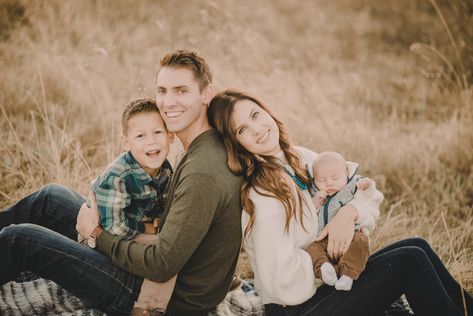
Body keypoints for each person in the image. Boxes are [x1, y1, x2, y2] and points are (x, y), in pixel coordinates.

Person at [0, 49, 243, 316]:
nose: (168, 102)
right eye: (162, 91)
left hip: (159, 295)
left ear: (206, 94)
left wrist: (97, 235)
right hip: (156, 261)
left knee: (19, 240)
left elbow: (161, 264)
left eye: (181, 90)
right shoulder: (200, 146)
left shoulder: (203, 171)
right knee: (50, 198)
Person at [208, 89, 473, 316]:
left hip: (326, 292)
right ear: (235, 144)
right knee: (410, 260)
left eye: (255, 115)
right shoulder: (262, 195)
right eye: (242, 129)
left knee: (417, 245)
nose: (256, 129)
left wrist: (349, 213)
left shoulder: (300, 157)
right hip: (298, 308)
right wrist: (328, 258)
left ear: (266, 111)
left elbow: (364, 190)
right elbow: (279, 281)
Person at [83, 98, 176, 313]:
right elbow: (113, 228)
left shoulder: (165, 169)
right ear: (126, 143)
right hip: (100, 236)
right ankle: (147, 308)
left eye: (157, 133)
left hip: (132, 230)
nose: (151, 142)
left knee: (175, 245)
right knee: (164, 252)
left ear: (170, 136)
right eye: (140, 136)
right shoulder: (119, 175)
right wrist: (150, 230)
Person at [305, 151, 382, 291]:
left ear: (347, 174)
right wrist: (315, 203)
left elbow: (367, 196)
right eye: (322, 180)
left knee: (361, 243)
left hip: (351, 236)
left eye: (335, 178)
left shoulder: (352, 185)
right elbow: (308, 213)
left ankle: (348, 275)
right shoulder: (314, 193)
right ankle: (325, 269)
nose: (329, 183)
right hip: (323, 238)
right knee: (311, 249)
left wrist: (367, 186)